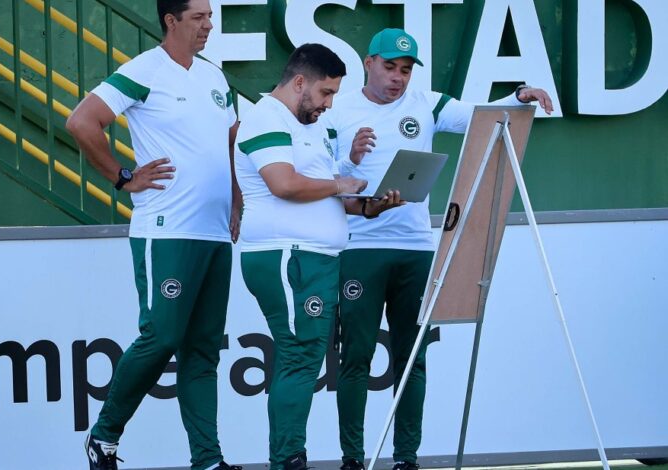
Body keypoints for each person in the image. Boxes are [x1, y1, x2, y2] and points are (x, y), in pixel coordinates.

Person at [321, 28, 554, 470]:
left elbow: (485, 117)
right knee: (355, 357)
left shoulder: (426, 103)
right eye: (389, 67)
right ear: (368, 63)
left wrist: (520, 94)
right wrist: (350, 158)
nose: (398, 78)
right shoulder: (339, 108)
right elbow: (322, 175)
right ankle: (352, 458)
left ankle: (406, 458)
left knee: (413, 359)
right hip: (359, 247)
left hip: (414, 248)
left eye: (405, 70)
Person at [65, 1, 243, 469]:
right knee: (162, 336)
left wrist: (238, 201)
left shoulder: (214, 77)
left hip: (214, 233)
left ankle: (207, 460)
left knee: (202, 352)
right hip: (166, 229)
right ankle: (103, 438)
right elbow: (82, 122)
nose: (209, 24)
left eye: (210, 16)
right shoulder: (144, 69)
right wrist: (123, 176)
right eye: (198, 17)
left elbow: (229, 145)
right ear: (171, 20)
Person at [234, 43, 404, 470]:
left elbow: (324, 193)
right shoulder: (264, 118)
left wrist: (368, 206)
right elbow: (285, 185)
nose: (329, 104)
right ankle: (288, 459)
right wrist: (342, 185)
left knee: (305, 358)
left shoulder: (311, 125)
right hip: (287, 257)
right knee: (297, 356)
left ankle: (290, 456)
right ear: (298, 83)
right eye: (326, 93)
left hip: (313, 257)